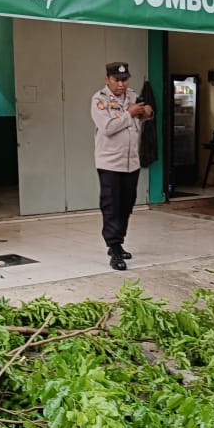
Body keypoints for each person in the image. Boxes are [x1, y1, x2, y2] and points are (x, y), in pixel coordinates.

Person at [92, 62, 151, 271]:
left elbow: (141, 119)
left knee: (127, 203)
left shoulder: (133, 97)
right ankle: (114, 248)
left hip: (131, 162)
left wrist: (145, 113)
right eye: (116, 80)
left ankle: (118, 241)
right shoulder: (99, 99)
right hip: (110, 162)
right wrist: (130, 113)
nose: (121, 84)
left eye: (124, 79)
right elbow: (107, 127)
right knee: (111, 205)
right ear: (107, 79)